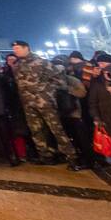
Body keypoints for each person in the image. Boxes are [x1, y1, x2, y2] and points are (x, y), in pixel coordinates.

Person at [10, 41, 79, 169]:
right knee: (36, 130)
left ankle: (72, 157)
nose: (16, 51)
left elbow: (59, 81)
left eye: (18, 48)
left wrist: (45, 92)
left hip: (44, 102)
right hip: (28, 103)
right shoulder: (17, 65)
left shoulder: (42, 62)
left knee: (56, 129)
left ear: (27, 48)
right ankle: (45, 156)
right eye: (14, 49)